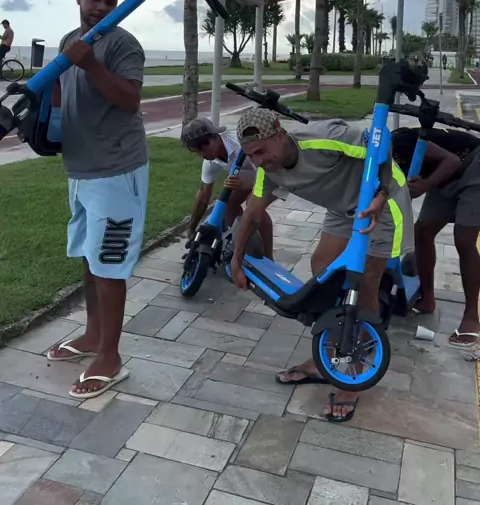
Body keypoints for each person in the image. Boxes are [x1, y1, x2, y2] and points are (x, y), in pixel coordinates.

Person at [231, 107, 413, 422]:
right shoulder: (268, 170)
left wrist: (381, 194)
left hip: (382, 205)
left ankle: (354, 374)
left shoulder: (325, 138)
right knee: (323, 269)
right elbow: (252, 213)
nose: (257, 161)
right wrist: (236, 260)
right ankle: (326, 358)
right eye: (250, 156)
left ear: (279, 134)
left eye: (260, 151)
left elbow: (381, 142)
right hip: (343, 209)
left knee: (364, 286)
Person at [46, 0, 149, 399]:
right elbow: (58, 93)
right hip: (81, 170)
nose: (102, 8)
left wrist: (89, 63)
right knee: (90, 259)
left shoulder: (123, 44)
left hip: (117, 170)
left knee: (109, 264)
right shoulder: (69, 40)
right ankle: (92, 335)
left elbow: (129, 100)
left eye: (110, 1)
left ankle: (111, 356)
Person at [391, 125, 480, 348]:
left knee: (464, 238)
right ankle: (427, 299)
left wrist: (425, 185)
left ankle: (472, 316)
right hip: (443, 178)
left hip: (473, 164)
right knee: (423, 231)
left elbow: (453, 161)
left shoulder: (403, 142)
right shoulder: (371, 163)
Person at [181, 116, 273, 259]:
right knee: (227, 205)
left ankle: (268, 257)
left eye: (204, 147)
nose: (202, 154)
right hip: (250, 179)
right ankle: (246, 248)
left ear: (216, 136)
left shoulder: (240, 145)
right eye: (197, 151)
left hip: (275, 174)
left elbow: (270, 173)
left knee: (253, 206)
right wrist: (192, 228)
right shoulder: (211, 161)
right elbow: (203, 194)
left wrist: (246, 185)